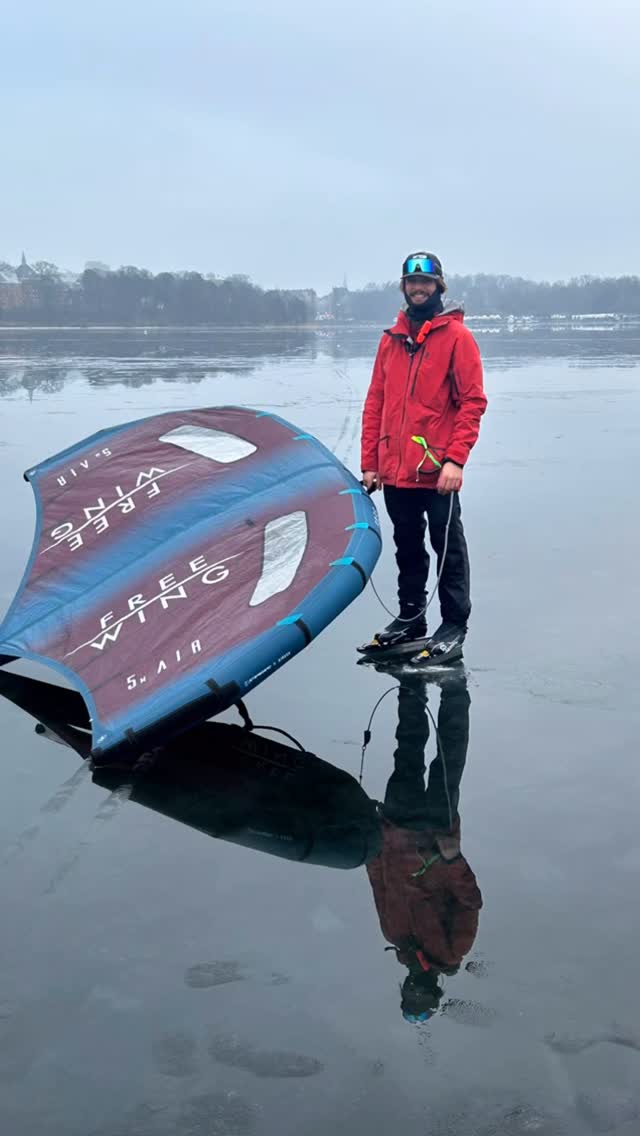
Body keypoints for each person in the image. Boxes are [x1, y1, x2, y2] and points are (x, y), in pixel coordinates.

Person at [360, 251, 487, 655]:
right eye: (412, 283)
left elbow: (472, 402)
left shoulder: (457, 338)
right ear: (404, 287)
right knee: (408, 546)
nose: (419, 289)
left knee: (447, 547)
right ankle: (412, 619)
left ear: (439, 287)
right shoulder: (390, 340)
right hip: (395, 470)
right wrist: (370, 463)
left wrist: (456, 459)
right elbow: (375, 402)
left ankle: (453, 624)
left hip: (437, 471)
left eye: (426, 283)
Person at [365, 671, 482, 1023]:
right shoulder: (452, 949)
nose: (415, 987)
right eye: (422, 993)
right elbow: (470, 901)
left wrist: (373, 838)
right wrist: (451, 859)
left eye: (410, 992)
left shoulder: (394, 934)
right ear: (435, 990)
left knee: (407, 749)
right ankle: (454, 687)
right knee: (449, 756)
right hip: (436, 831)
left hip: (396, 827)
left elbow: (378, 882)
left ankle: (410, 683)